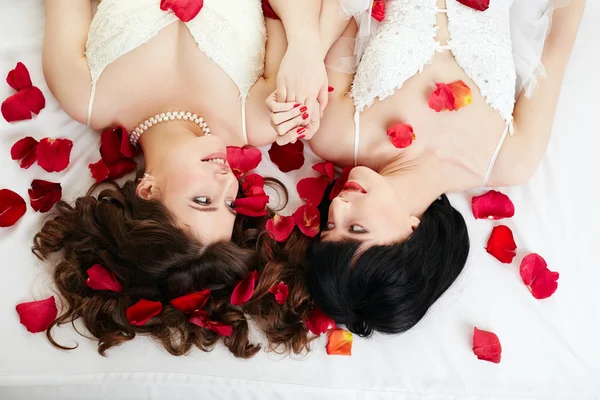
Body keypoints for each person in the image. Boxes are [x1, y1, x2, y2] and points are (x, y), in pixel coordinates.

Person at [267, 0, 586, 337]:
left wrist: (306, 56)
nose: (339, 205)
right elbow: (558, 38)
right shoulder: (511, 160)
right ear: (410, 237)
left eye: (331, 223)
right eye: (356, 228)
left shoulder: (336, 134)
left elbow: (345, 10)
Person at [34, 0, 330, 358]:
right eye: (230, 203)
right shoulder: (259, 116)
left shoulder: (86, 97)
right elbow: (290, 16)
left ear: (147, 189)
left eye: (203, 200)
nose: (226, 181)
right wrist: (306, 49)